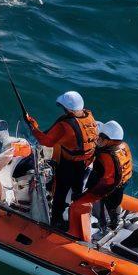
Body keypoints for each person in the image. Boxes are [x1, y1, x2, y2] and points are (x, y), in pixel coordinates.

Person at [27, 90, 98, 230]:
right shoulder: (88, 116)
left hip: (69, 165)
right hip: (85, 163)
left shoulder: (64, 125)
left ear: (68, 109)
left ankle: (56, 222)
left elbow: (45, 141)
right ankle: (77, 216)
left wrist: (33, 127)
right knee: (77, 191)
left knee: (60, 192)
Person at [67, 120, 132, 240]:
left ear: (109, 140)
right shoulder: (123, 146)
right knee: (114, 204)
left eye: (101, 137)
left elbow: (106, 183)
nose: (99, 139)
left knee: (98, 204)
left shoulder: (106, 156)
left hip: (107, 185)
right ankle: (115, 221)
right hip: (122, 183)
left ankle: (103, 227)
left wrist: (90, 194)